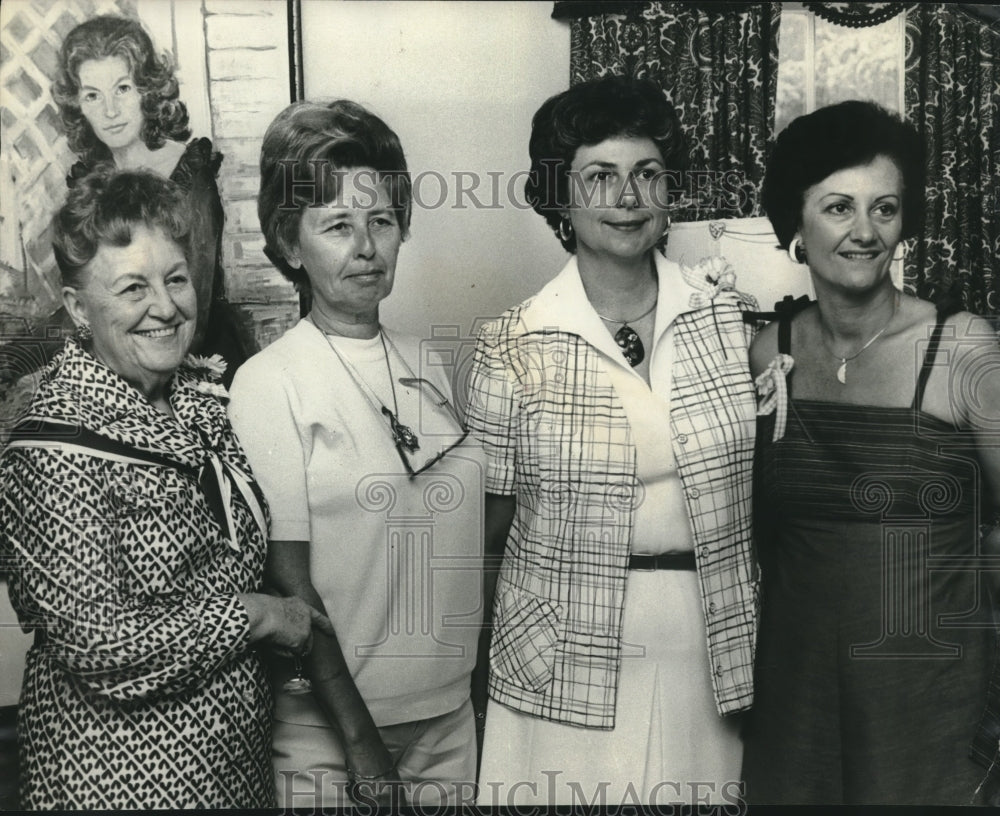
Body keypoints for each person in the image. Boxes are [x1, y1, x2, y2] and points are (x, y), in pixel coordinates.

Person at [465, 75, 759, 807]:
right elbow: (486, 532)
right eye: (599, 176)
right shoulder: (512, 342)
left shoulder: (728, 320)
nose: (627, 197)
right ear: (560, 198)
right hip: (558, 658)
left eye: (647, 174)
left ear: (669, 192)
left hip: (710, 649)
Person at [0, 167, 333, 809]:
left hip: (232, 772)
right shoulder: (50, 446)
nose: (165, 306)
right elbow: (105, 644)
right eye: (131, 288)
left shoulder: (200, 407)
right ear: (77, 308)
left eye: (175, 279)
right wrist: (260, 614)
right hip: (114, 782)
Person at [742, 100, 1000, 805]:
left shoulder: (963, 348)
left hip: (929, 701)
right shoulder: (772, 350)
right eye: (837, 208)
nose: (864, 233)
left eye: (883, 209)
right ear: (795, 221)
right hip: (795, 702)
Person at [227, 99, 483, 809]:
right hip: (333, 730)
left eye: (382, 221)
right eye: (337, 225)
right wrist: (362, 743)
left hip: (447, 713)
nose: (366, 247)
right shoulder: (270, 382)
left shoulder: (430, 364)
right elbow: (291, 586)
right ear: (289, 244)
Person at [52, 14, 253, 385]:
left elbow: (197, 299)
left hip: (192, 349)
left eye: (123, 89)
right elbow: (88, 288)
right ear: (77, 104)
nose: (110, 111)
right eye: (93, 95)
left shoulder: (190, 172)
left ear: (147, 89)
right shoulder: (91, 178)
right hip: (119, 347)